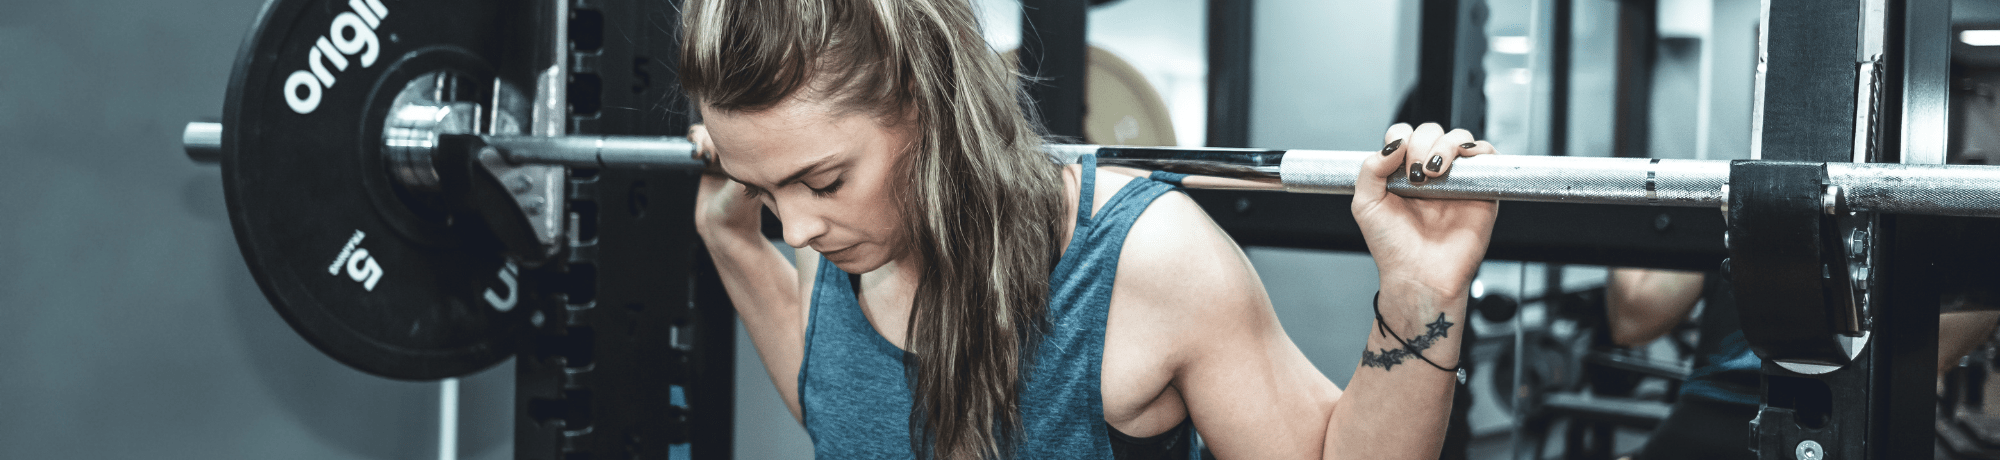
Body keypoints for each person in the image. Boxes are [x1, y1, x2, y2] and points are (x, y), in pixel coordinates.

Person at [678, 0, 1499, 458]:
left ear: (926, 107)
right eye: (767, 190)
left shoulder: (1150, 262)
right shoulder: (837, 238)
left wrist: (1421, 290)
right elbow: (848, 416)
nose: (797, 227)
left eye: (821, 180)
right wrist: (732, 234)